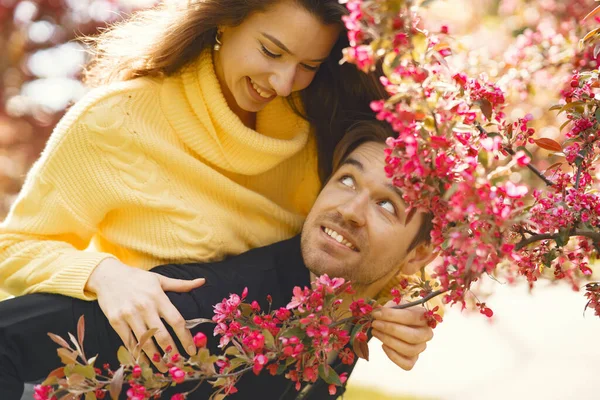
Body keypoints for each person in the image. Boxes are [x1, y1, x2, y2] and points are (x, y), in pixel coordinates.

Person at [0, 0, 388, 369]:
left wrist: (393, 309)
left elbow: (357, 235)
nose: (285, 83)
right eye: (271, 52)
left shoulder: (318, 129)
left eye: (309, 64)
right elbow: (15, 247)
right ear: (225, 18)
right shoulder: (115, 121)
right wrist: (104, 274)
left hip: (273, 373)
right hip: (140, 373)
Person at [0, 121, 436, 400]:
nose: (350, 210)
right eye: (347, 179)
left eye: (387, 206)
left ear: (417, 254)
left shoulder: (343, 326)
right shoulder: (204, 306)